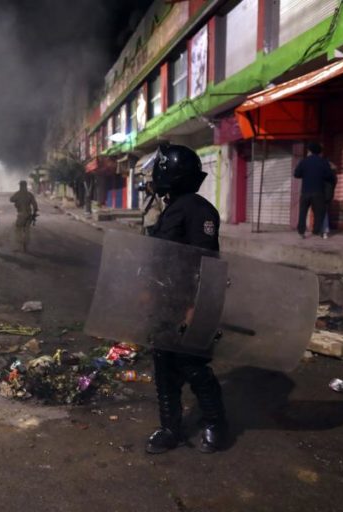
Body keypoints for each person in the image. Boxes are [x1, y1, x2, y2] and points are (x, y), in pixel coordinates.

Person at [145, 143, 227, 455]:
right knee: (164, 366)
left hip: (190, 303)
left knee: (194, 367)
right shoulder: (175, 206)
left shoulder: (199, 210)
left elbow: (208, 261)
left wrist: (196, 308)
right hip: (166, 302)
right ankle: (170, 429)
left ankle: (216, 424)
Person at [294, 142, 335, 239]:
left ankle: (301, 232)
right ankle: (316, 231)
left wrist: (305, 174)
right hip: (318, 192)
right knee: (319, 212)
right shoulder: (323, 162)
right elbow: (329, 176)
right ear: (319, 152)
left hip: (305, 192)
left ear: (310, 151)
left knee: (303, 212)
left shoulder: (304, 161)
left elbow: (296, 174)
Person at [10, 180, 38, 252]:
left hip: (21, 214)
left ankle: (20, 245)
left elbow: (11, 199)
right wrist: (34, 214)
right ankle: (25, 246)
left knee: (18, 229)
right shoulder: (30, 194)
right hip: (29, 214)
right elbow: (35, 205)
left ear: (20, 186)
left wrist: (17, 201)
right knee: (27, 230)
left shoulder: (18, 194)